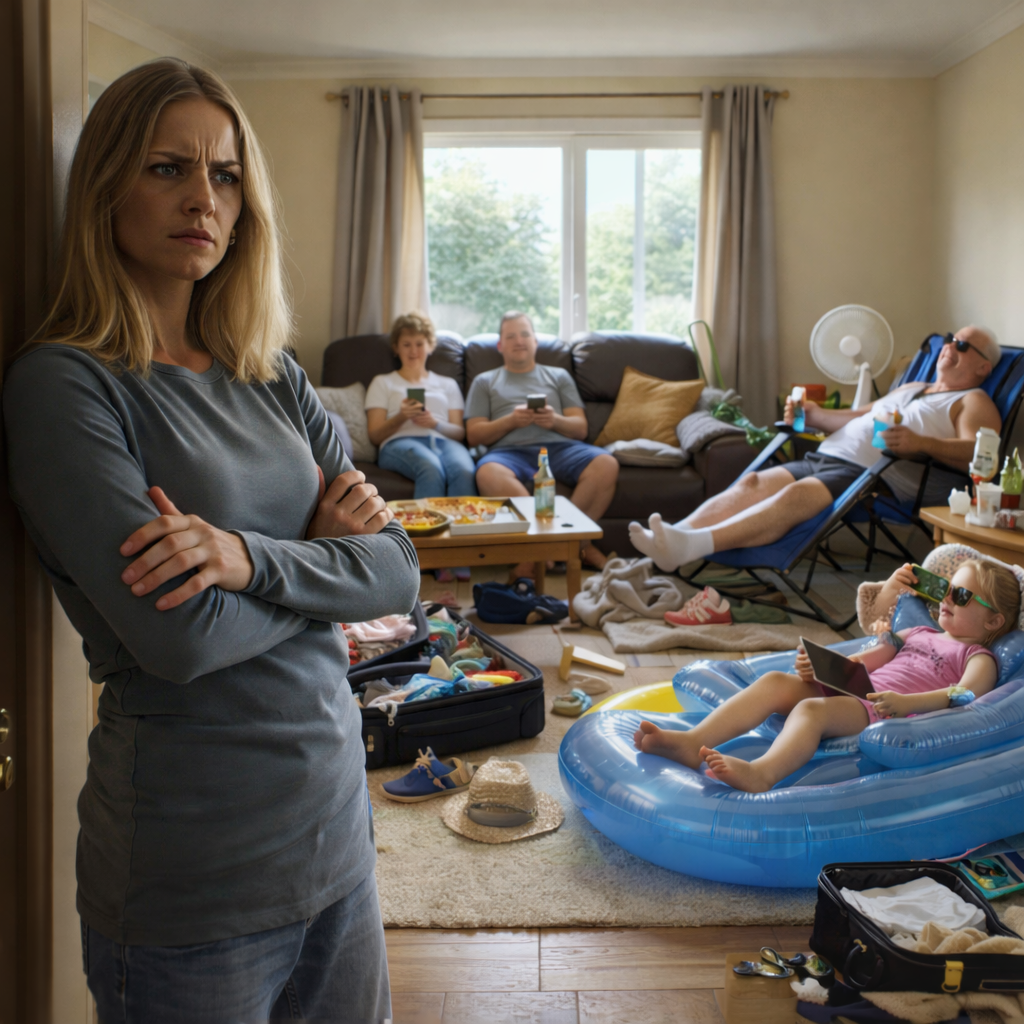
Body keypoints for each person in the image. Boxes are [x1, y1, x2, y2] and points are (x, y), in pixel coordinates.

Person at [3, 59, 419, 1023]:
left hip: (337, 835)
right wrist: (320, 555)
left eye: (225, 175)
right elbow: (180, 639)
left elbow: (397, 574)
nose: (203, 198)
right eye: (168, 168)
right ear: (105, 185)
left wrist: (246, 556)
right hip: (192, 880)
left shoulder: (270, 372)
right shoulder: (65, 385)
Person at [629, 325, 1003, 572]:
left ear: (983, 368)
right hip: (828, 456)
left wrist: (921, 443)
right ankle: (671, 538)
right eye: (950, 338)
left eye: (962, 344)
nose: (949, 345)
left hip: (869, 476)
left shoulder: (972, 400)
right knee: (752, 483)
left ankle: (690, 546)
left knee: (795, 495)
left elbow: (981, 455)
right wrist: (812, 415)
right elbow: (856, 416)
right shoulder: (913, 387)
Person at [634, 560, 1020, 793]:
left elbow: (964, 696)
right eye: (948, 590)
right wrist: (822, 667)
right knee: (774, 683)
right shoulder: (917, 632)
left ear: (994, 621)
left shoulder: (979, 657)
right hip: (858, 690)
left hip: (880, 710)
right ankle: (693, 742)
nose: (947, 599)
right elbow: (865, 659)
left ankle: (761, 773)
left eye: (962, 596)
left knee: (811, 711)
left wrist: (907, 704)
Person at [465, 311, 618, 571]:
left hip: (561, 448)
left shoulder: (559, 376)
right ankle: (575, 548)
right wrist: (511, 421)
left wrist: (554, 420)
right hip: (507, 452)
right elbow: (474, 434)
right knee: (487, 473)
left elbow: (580, 428)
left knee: (606, 464)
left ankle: (554, 548)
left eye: (525, 334)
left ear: (535, 341)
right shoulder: (484, 381)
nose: (519, 341)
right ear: (500, 345)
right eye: (511, 336)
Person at [365, 312, 477, 498]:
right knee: (430, 467)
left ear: (430, 346)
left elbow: (459, 433)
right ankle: (428, 518)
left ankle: (462, 519)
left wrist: (435, 424)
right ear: (396, 348)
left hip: (445, 441)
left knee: (464, 470)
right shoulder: (383, 382)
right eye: (406, 344)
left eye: (419, 344)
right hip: (399, 443)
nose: (413, 351)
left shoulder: (448, 384)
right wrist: (401, 417)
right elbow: (375, 435)